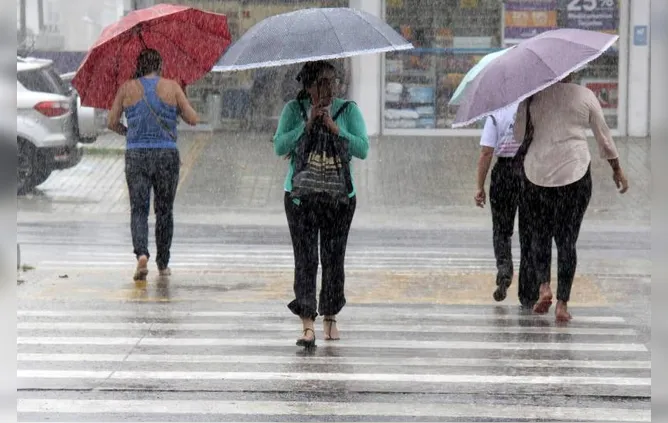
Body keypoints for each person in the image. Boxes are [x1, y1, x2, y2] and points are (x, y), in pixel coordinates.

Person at [513, 73, 629, 322]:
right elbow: (604, 137)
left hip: (538, 173)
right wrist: (616, 168)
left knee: (540, 234)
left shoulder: (533, 97)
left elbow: (518, 136)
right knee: (567, 240)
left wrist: (530, 109)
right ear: (573, 71)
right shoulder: (585, 96)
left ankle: (544, 287)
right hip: (574, 173)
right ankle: (563, 304)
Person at [273, 60, 369, 348]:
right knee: (305, 260)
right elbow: (280, 146)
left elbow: (362, 148)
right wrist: (307, 124)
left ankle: (330, 315)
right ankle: (307, 323)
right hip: (301, 197)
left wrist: (336, 128)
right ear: (308, 86)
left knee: (333, 258)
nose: (330, 87)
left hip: (339, 198)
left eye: (333, 81)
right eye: (323, 82)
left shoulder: (347, 110)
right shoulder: (294, 110)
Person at [107, 48, 198, 281]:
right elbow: (193, 119)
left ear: (139, 65)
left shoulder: (127, 88)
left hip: (136, 155)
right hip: (166, 155)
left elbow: (111, 122)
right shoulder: (172, 86)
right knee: (164, 210)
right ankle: (163, 262)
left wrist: (129, 132)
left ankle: (141, 254)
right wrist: (182, 96)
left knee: (139, 209)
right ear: (160, 65)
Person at [475, 101, 533, 305]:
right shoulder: (531, 107)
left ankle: (504, 272)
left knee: (502, 230)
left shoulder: (496, 113)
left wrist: (480, 186)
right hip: (529, 172)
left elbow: (486, 153)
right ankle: (528, 290)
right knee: (530, 231)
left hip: (503, 175)